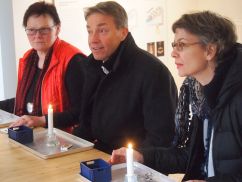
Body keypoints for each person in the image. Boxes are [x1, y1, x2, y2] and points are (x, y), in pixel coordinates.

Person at [110, 11, 242, 181]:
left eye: (182, 45)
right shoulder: (201, 96)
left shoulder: (236, 97)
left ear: (210, 50)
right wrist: (142, 157)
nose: (173, 53)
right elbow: (190, 157)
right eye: (174, 45)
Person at [72, 1, 178, 154]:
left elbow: (161, 138)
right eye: (90, 31)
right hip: (97, 159)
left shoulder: (153, 72)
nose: (93, 39)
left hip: (132, 168)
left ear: (122, 33)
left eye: (102, 31)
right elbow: (86, 123)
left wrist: (131, 162)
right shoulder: (93, 65)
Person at [0, 2, 87, 132]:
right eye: (31, 30)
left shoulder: (73, 60)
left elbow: (82, 112)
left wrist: (42, 120)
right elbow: (26, 102)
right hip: (34, 133)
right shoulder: (28, 59)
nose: (37, 36)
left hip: (64, 139)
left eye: (44, 30)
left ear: (57, 28)